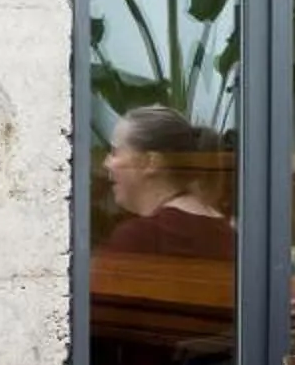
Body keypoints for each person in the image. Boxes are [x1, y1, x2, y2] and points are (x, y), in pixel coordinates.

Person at [97, 105, 236, 260]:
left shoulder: (138, 240)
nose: (106, 163)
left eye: (115, 152)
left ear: (150, 162)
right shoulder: (230, 237)